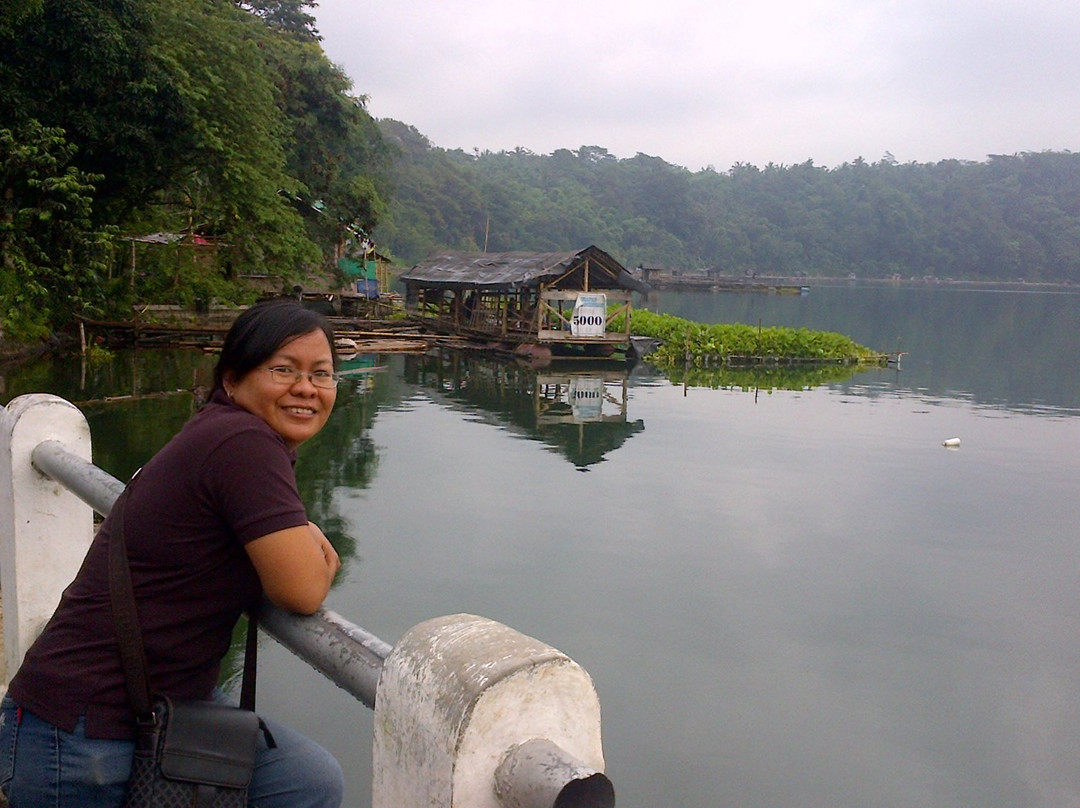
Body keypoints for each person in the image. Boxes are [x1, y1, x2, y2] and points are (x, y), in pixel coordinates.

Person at [0, 300, 346, 808]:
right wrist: (319, 551)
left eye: (322, 374)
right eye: (283, 369)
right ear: (232, 379)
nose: (306, 388)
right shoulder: (244, 442)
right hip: (78, 732)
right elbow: (302, 589)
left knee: (307, 779)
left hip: (160, 705)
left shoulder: (220, 430)